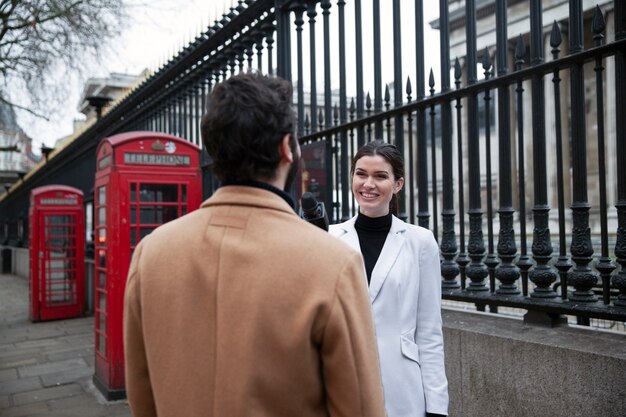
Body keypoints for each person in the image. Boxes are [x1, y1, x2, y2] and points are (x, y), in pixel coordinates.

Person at [123, 72, 386, 417]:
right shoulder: (334, 264)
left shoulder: (151, 253)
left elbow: (142, 400)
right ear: (285, 149)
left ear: (214, 150)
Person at [329, 140, 449, 417]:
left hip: (401, 388)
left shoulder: (420, 241)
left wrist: (437, 406)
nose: (368, 184)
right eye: (361, 174)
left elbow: (429, 331)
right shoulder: (329, 238)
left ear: (398, 184)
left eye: (380, 176)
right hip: (340, 382)